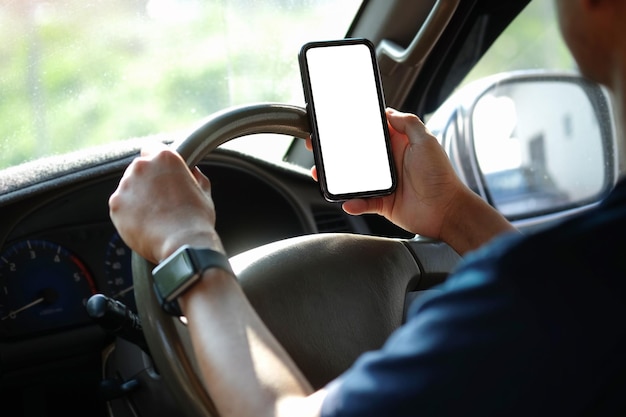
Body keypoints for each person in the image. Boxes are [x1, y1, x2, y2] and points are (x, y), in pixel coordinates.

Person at [109, 0, 626, 415]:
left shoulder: (555, 293)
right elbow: (561, 308)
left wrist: (185, 244)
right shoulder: (583, 278)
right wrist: (449, 211)